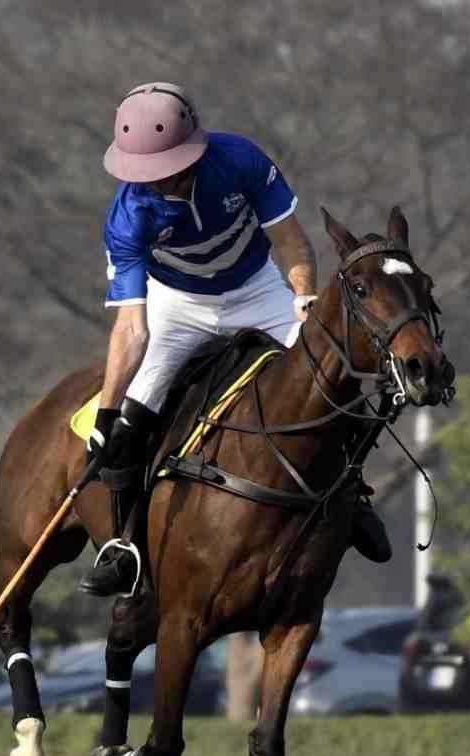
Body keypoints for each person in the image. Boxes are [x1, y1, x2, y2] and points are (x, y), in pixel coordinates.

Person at [79, 82, 390, 598]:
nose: (156, 184)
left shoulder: (240, 159)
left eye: (166, 171)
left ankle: (353, 495)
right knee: (131, 425)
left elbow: (289, 239)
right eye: (145, 174)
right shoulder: (127, 216)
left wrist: (303, 298)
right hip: (176, 306)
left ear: (192, 153)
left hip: (256, 289)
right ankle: (124, 547)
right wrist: (109, 412)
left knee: (331, 379)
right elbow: (132, 329)